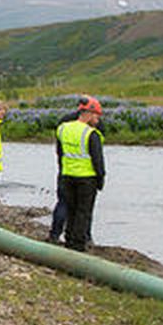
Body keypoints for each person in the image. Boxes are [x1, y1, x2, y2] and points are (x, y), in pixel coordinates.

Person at [56, 96, 106, 252]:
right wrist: (101, 179)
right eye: (97, 115)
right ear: (89, 114)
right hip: (86, 179)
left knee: (71, 210)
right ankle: (78, 245)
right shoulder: (92, 134)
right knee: (83, 212)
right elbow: (98, 160)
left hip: (66, 176)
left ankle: (68, 240)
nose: (98, 119)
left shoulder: (63, 129)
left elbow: (59, 152)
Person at [47, 100, 83, 243]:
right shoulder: (89, 126)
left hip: (65, 169)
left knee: (63, 203)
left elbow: (59, 149)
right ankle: (80, 237)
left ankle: (55, 234)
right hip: (84, 173)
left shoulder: (63, 122)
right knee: (82, 208)